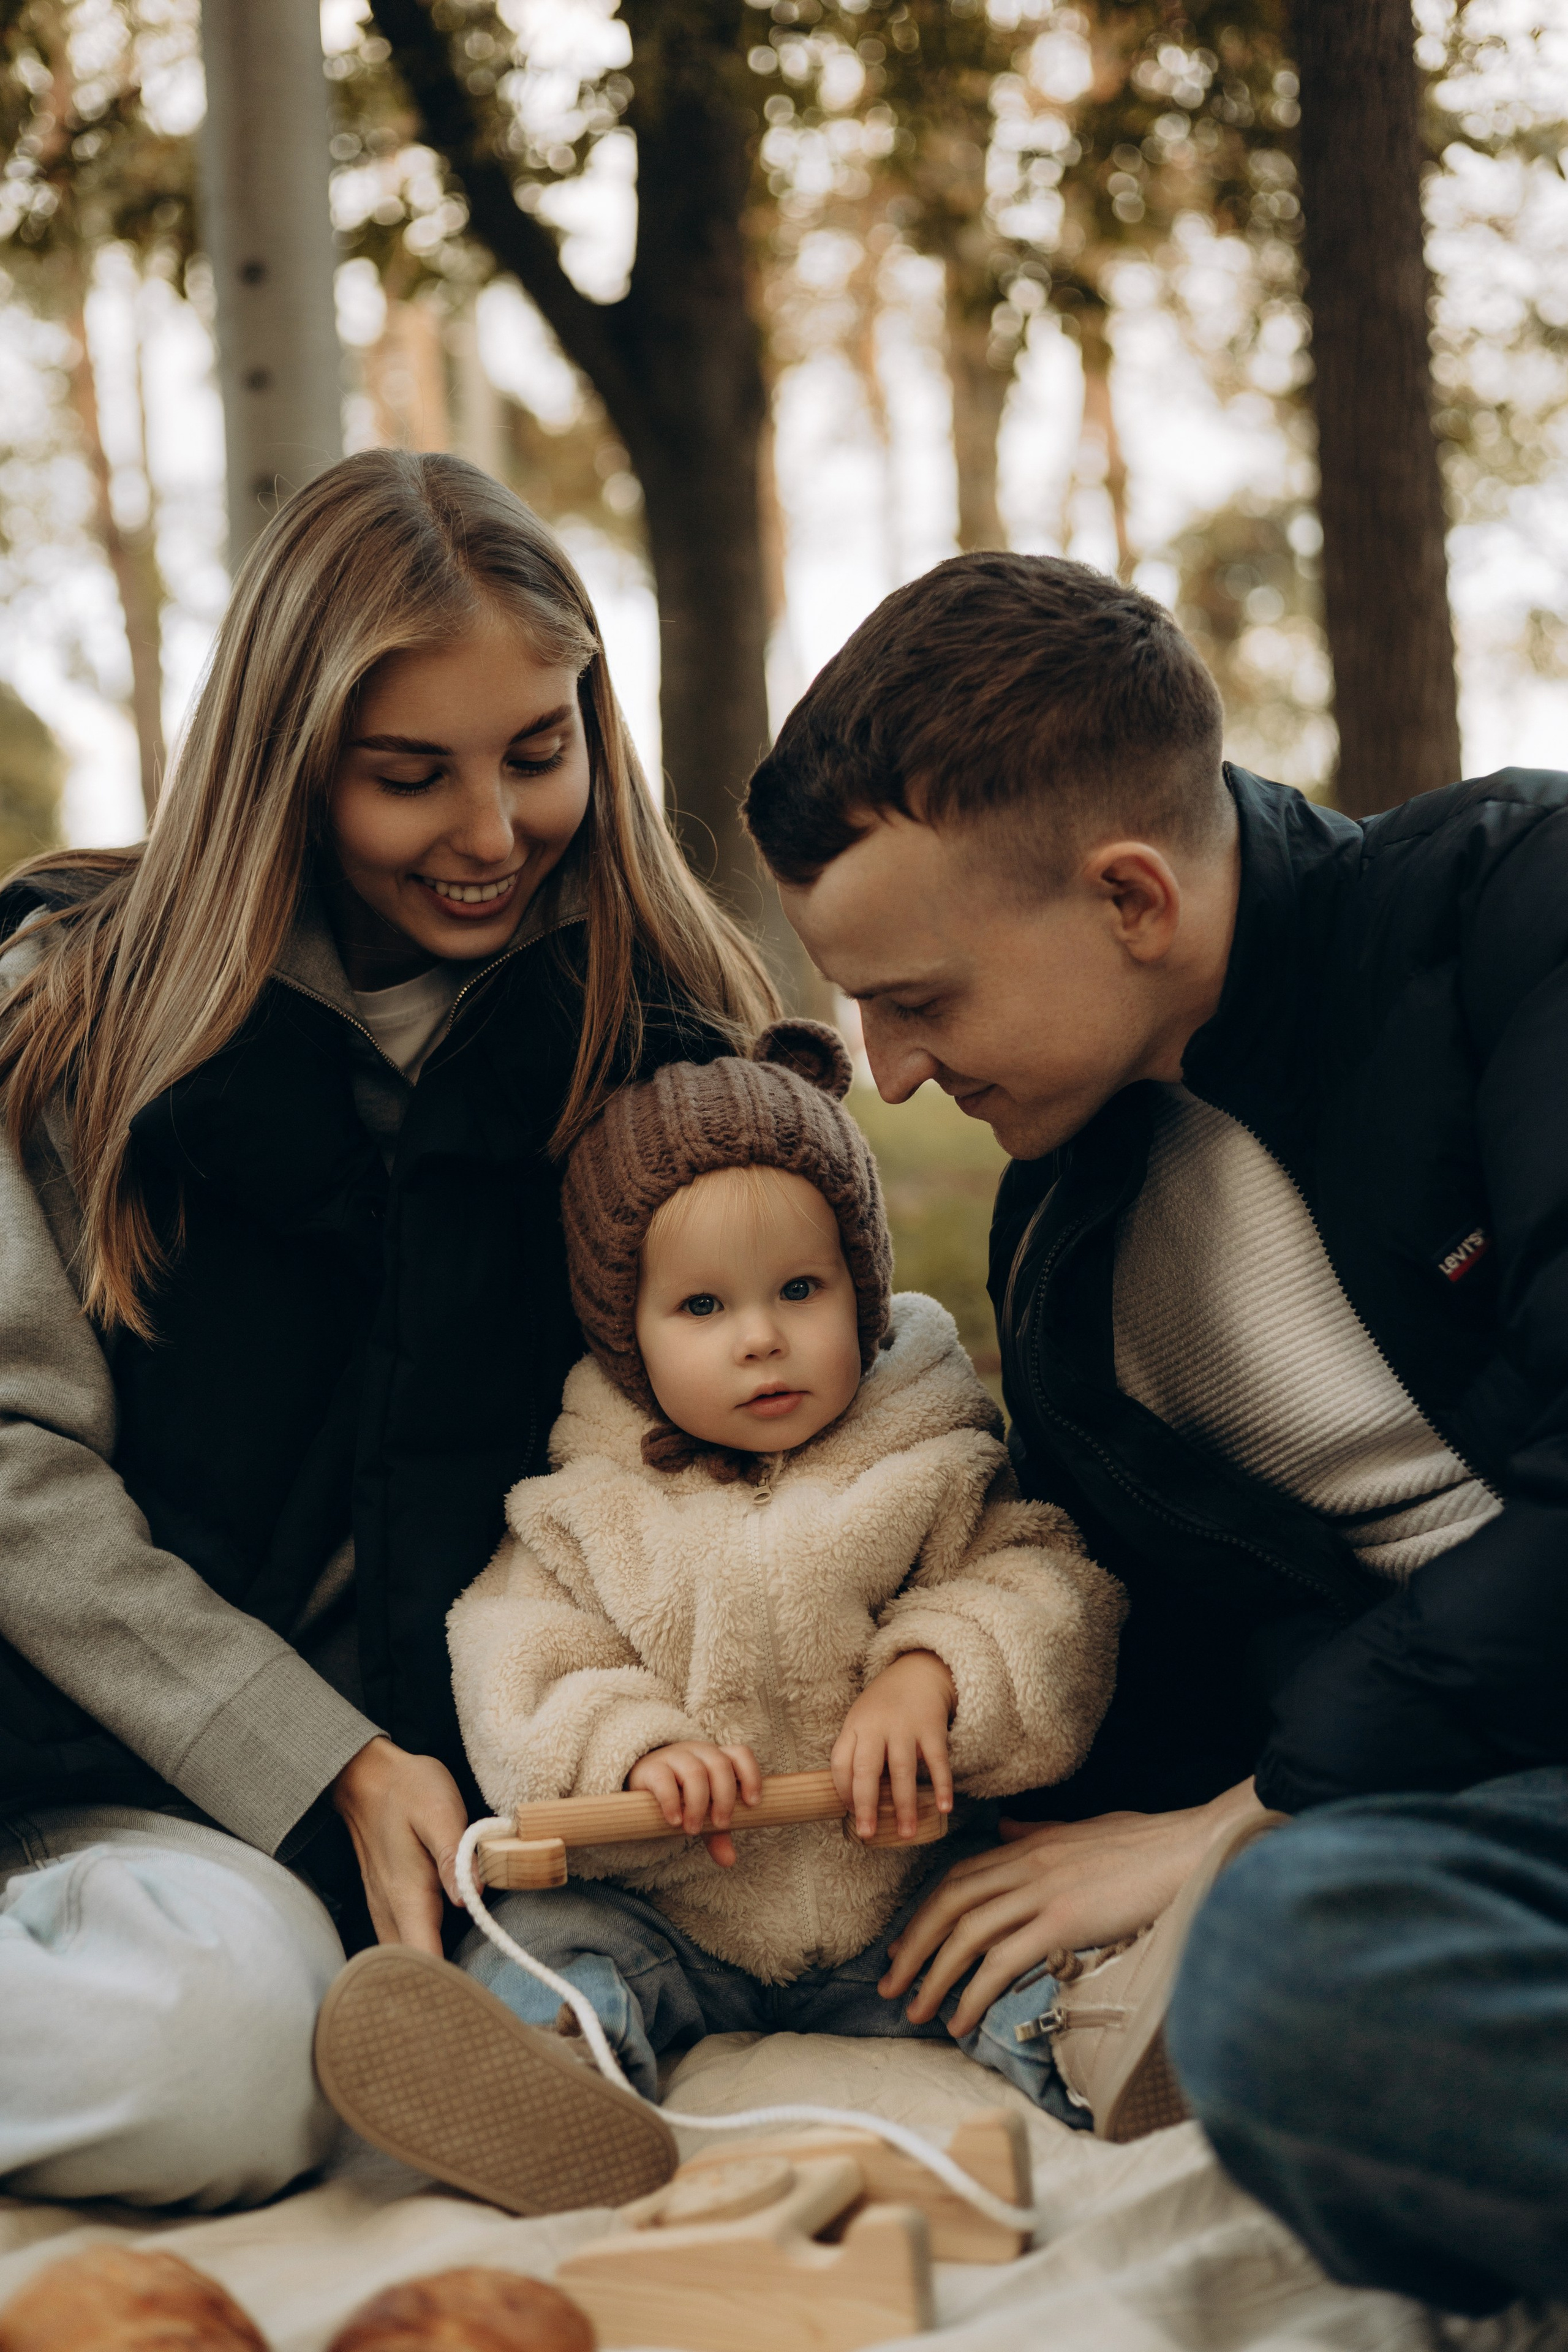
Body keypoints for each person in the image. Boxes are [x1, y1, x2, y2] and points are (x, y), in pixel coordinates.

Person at [737, 549, 1568, 2315]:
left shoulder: (1521, 913)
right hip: (1453, 1852)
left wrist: (1248, 1817)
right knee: (1288, 1979)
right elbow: (1184, 1638)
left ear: (1130, 897)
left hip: (1400, 1791)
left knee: (1267, 1932)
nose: (884, 1073)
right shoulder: (1067, 1233)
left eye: (921, 999)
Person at [0, 450, 776, 2210]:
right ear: (288, 765)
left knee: (424, 2015)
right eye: (409, 777)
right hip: (100, 1771)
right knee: (226, 2058)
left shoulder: (665, 1046)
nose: (494, 832)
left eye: (540, 751)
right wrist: (323, 1757)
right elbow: (10, 1474)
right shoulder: (67, 1019)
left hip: (526, 1801)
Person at [311, 1019, 1126, 2211]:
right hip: (670, 1907)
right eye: (701, 1308)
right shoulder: (584, 1500)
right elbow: (515, 1659)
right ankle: (542, 2075)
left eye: (802, 1289)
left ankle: (1114, 2047)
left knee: (1022, 1949)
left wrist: (929, 1676)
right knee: (557, 1952)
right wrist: (633, 1747)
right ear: (623, 1334)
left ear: (860, 1286)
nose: (760, 1338)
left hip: (899, 1900)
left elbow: (1045, 1589)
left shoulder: (931, 1450)